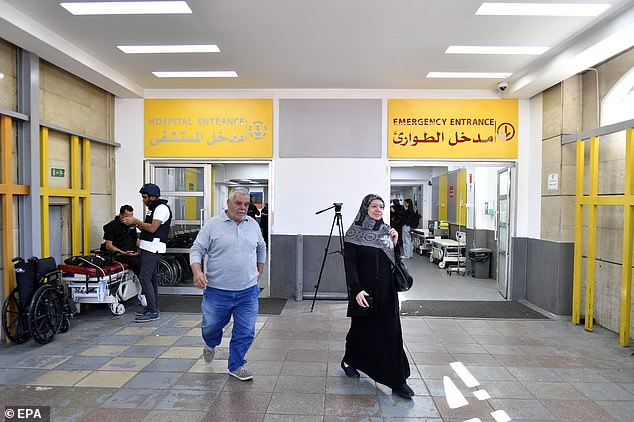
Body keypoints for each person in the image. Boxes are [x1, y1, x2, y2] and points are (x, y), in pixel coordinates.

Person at [341, 194, 414, 399]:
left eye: (381, 206)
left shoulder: (386, 231)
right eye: (374, 206)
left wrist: (395, 242)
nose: (378, 209)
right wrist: (356, 289)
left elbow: (394, 261)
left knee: (391, 334)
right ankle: (349, 360)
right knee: (361, 331)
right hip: (364, 294)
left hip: (387, 292)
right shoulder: (353, 233)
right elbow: (350, 264)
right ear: (365, 208)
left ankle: (397, 380)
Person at [190, 187, 266, 381]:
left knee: (246, 330)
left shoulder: (253, 225)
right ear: (228, 203)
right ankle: (210, 342)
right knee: (211, 327)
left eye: (246, 204)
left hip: (247, 291)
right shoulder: (213, 225)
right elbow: (197, 249)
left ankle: (236, 365)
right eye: (238, 203)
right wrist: (197, 272)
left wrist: (259, 270)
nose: (242, 208)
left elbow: (261, 247)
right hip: (217, 291)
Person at [122, 183, 172, 323]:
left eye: (145, 197)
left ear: (152, 197)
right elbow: (147, 228)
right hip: (147, 246)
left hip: (153, 248)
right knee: (151, 278)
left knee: (144, 278)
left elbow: (152, 228)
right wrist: (139, 238)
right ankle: (153, 306)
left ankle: (152, 310)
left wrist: (135, 221)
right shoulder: (153, 209)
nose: (143, 200)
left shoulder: (161, 209)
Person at [101, 204, 141, 275]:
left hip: (131, 252)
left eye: (131, 217)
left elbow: (136, 239)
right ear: (121, 215)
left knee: (147, 261)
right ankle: (143, 283)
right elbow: (108, 245)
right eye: (126, 217)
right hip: (119, 254)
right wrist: (124, 253)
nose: (128, 219)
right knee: (137, 263)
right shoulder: (112, 226)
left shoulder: (131, 225)